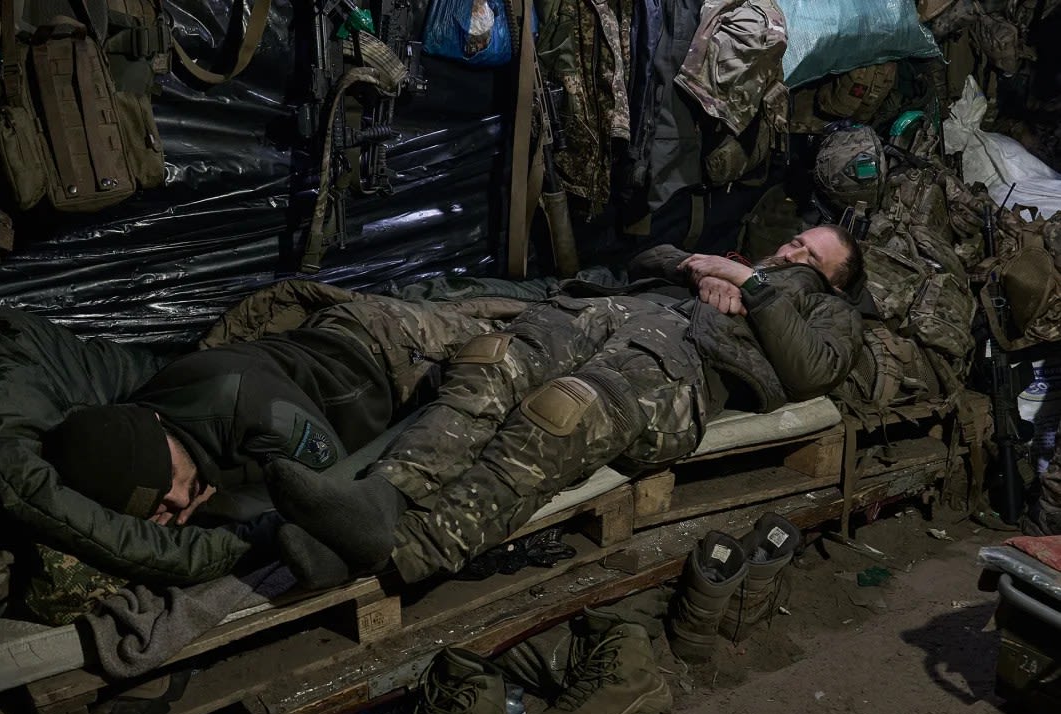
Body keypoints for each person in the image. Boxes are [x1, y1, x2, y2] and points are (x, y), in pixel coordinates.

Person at [265, 225, 867, 584]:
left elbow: (810, 368)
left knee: (563, 413)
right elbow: (646, 258)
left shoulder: (826, 311)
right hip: (602, 318)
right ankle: (383, 498)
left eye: (810, 259)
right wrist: (699, 268)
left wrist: (752, 288)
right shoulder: (728, 262)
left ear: (833, 282)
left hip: (675, 369)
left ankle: (406, 550)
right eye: (794, 243)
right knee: (491, 359)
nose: (791, 255)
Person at [43, 294, 511, 586]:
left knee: (522, 338)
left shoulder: (249, 403)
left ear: (160, 427)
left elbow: (325, 484)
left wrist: (220, 504)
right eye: (158, 508)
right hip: (350, 357)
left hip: (395, 352)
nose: (176, 499)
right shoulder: (145, 424)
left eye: (167, 478)